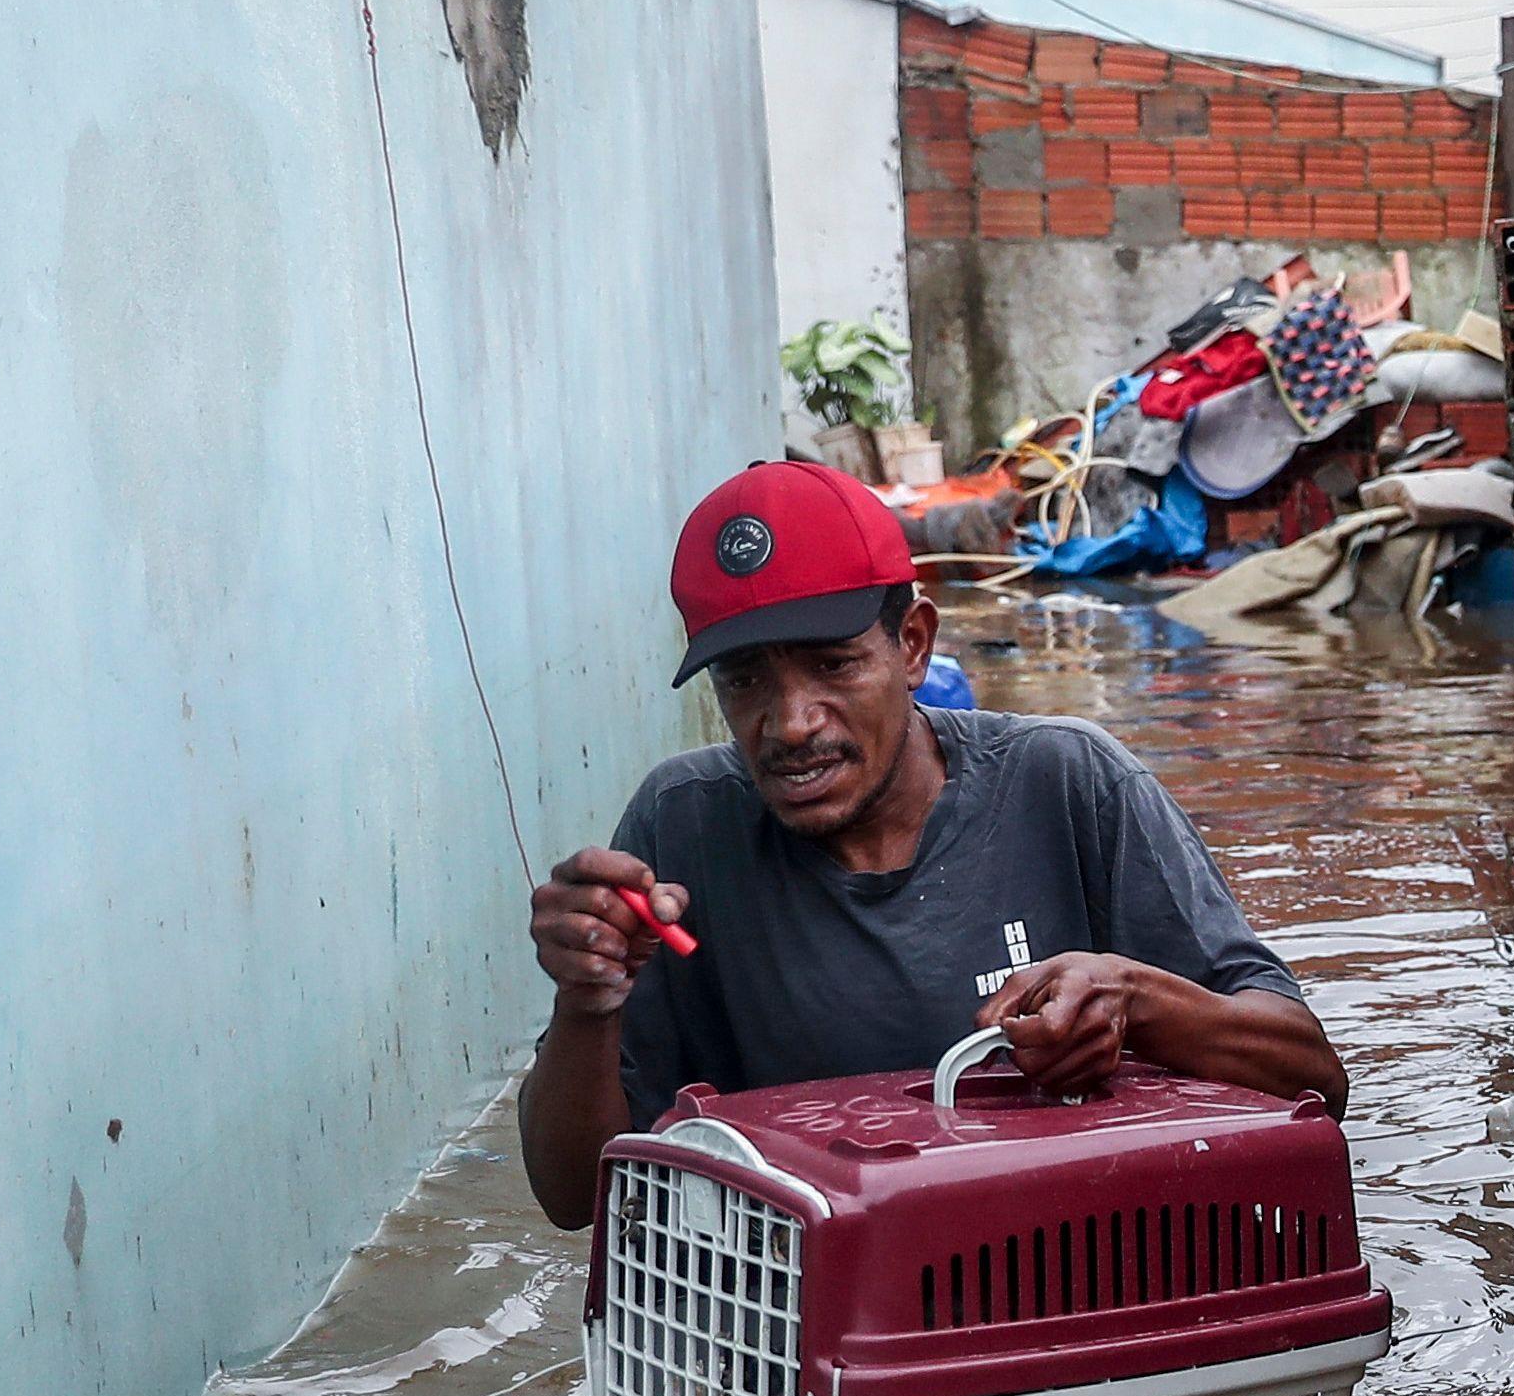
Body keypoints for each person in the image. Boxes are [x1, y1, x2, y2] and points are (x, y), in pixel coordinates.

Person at [519, 460, 1346, 1228]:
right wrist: (588, 1005)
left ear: (913, 644)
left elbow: (1312, 1078)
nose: (791, 722)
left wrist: (1138, 1003)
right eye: (745, 681)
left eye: (834, 667)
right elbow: (573, 1197)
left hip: (1076, 1275)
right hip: (826, 1340)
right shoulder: (681, 825)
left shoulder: (1068, 784)